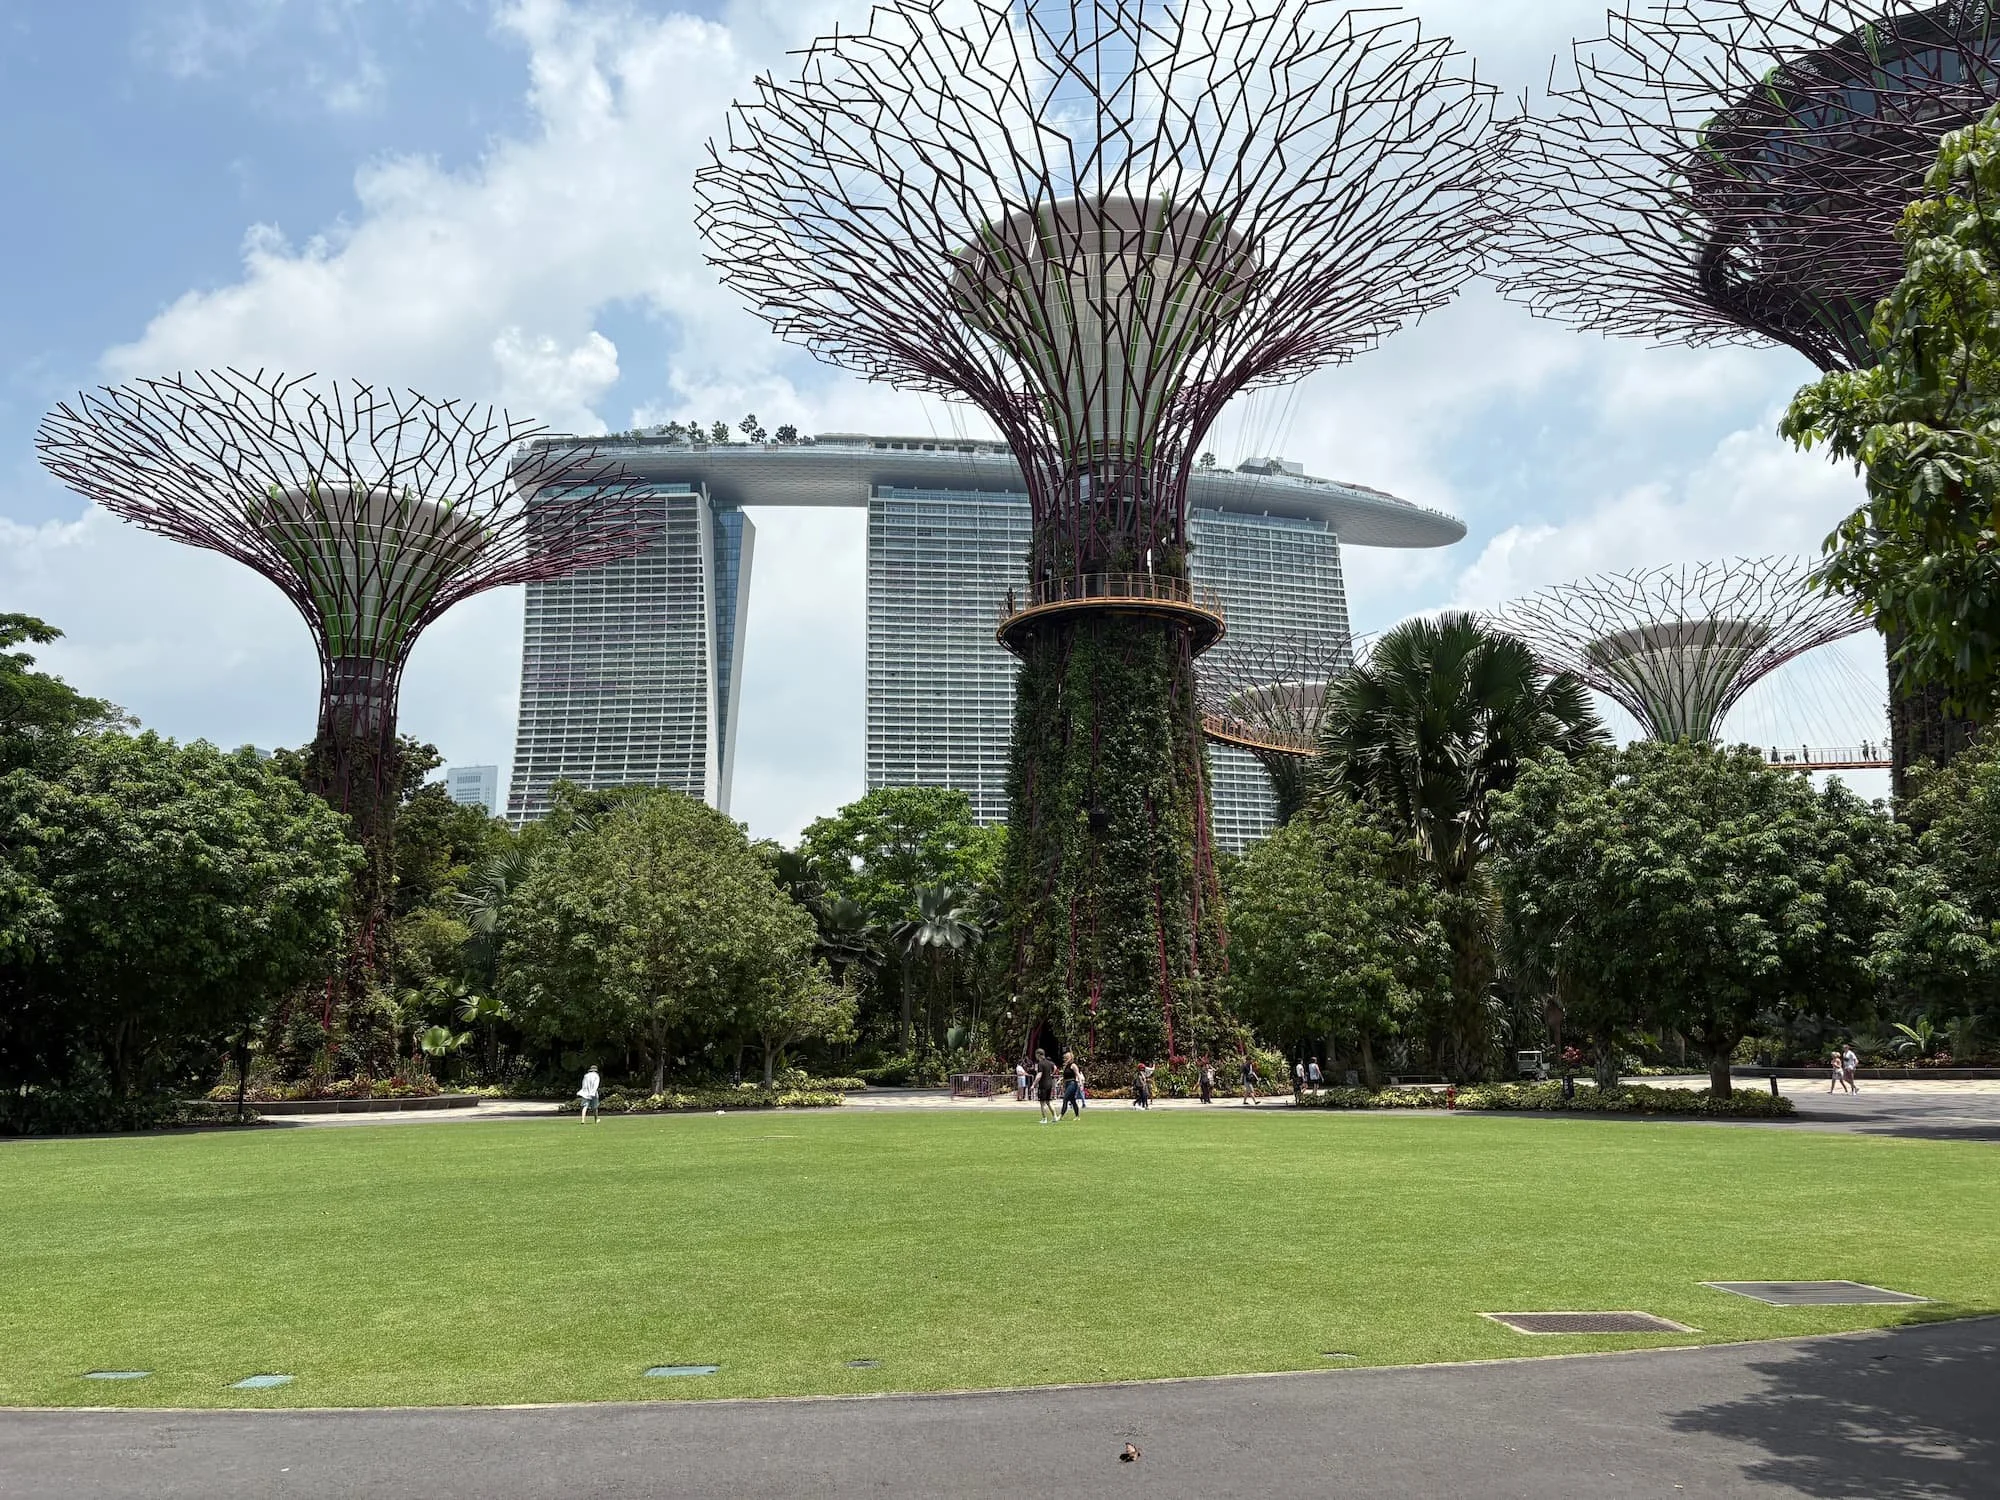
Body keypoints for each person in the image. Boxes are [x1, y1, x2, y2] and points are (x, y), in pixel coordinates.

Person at [1059, 1051, 1084, 1121]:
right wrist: (1062, 1084)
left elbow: (1078, 1074)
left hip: (1072, 1083)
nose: (1065, 1059)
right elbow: (1064, 1077)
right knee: (1072, 1100)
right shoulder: (1066, 1066)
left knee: (1065, 1099)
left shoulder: (1073, 1065)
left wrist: (1081, 1084)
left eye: (1066, 1058)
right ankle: (1077, 1116)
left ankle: (1061, 1115)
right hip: (1067, 1083)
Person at [1034, 1049, 1057, 1124]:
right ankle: (1055, 1117)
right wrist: (1052, 1074)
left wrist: (1033, 1084)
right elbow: (1055, 1067)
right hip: (1049, 1084)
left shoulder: (1040, 1063)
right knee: (1049, 1101)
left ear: (1038, 1055)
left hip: (1043, 1084)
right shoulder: (1049, 1062)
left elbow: (1039, 1075)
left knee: (1042, 1102)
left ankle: (1044, 1119)